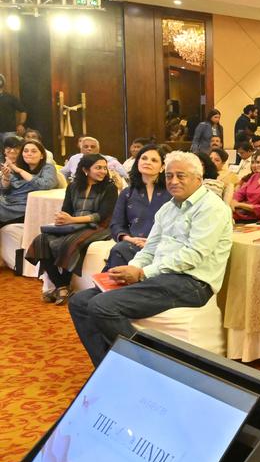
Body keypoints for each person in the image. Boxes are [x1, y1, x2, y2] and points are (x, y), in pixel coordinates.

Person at [68, 151, 232, 367]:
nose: (173, 181)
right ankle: (109, 367)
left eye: (181, 176)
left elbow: (194, 255)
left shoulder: (212, 208)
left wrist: (143, 273)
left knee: (102, 306)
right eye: (169, 176)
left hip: (192, 283)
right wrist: (133, 267)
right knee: (79, 301)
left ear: (198, 179)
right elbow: (150, 249)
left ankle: (146, 368)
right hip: (160, 277)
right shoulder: (168, 208)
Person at [25, 154, 118, 305]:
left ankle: (61, 288)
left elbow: (102, 215)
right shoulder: (73, 187)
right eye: (98, 168)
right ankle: (62, 286)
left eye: (104, 168)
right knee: (41, 240)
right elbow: (66, 209)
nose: (103, 171)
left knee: (70, 243)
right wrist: (61, 217)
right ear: (85, 170)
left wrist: (72, 220)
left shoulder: (109, 188)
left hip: (99, 227)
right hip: (73, 225)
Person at [104, 145, 170, 270]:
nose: (148, 162)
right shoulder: (127, 193)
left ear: (162, 168)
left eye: (154, 160)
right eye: (144, 158)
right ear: (138, 162)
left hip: (163, 244)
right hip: (134, 243)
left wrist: (153, 242)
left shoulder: (172, 193)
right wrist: (131, 239)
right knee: (119, 250)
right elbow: (116, 225)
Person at [0, 139, 58, 226]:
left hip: (25, 207)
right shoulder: (16, 167)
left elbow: (46, 185)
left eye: (33, 151)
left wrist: (20, 171)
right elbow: (5, 191)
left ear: (42, 155)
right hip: (6, 203)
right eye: (26, 151)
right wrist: (6, 177)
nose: (29, 153)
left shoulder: (47, 168)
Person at [230, 151, 260, 223]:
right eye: (258, 162)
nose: (259, 165)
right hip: (240, 213)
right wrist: (234, 201)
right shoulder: (255, 176)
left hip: (257, 218)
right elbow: (240, 193)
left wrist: (240, 205)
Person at [61, 136, 129, 183]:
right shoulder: (74, 158)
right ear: (81, 149)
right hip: (77, 188)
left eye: (92, 147)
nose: (89, 149)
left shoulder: (110, 160)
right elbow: (62, 173)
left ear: (98, 149)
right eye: (86, 147)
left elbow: (125, 177)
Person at [0, 74, 26, 138]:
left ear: (2, 82)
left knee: (11, 148)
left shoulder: (10, 97)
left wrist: (21, 124)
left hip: (9, 132)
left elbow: (23, 111)